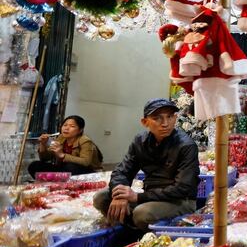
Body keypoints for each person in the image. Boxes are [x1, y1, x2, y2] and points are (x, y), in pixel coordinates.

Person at [93, 98, 200, 230]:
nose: (165, 123)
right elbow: (122, 171)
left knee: (142, 213)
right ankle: (128, 230)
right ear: (145, 122)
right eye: (157, 118)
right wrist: (119, 195)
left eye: (170, 117)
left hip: (180, 200)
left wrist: (137, 197)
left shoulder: (186, 145)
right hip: (150, 196)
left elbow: (182, 188)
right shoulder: (140, 141)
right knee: (101, 197)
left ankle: (138, 233)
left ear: (175, 118)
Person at [28, 116, 103, 178]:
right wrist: (43, 144)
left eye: (72, 126)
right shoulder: (61, 138)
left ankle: (56, 182)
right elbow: (45, 158)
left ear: (80, 130)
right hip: (65, 170)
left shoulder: (85, 141)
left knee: (69, 166)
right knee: (35, 165)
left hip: (87, 171)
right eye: (65, 125)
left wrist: (62, 155)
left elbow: (86, 162)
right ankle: (52, 183)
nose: (66, 128)